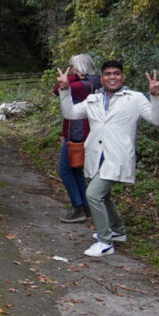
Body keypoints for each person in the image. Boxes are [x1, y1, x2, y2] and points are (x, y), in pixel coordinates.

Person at [56, 61, 159, 257]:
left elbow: (157, 120)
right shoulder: (93, 99)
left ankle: (105, 242)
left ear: (122, 77)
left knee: (93, 195)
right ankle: (117, 230)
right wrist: (65, 90)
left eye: (116, 73)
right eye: (107, 74)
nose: (112, 77)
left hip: (118, 157)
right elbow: (70, 113)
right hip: (95, 157)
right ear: (102, 78)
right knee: (103, 196)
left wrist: (156, 96)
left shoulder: (135, 99)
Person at [52, 54, 100, 223]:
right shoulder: (96, 81)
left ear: (79, 67)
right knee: (75, 169)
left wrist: (70, 77)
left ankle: (78, 207)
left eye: (72, 67)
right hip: (82, 132)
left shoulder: (82, 85)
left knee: (65, 169)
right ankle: (85, 207)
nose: (70, 70)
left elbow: (58, 90)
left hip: (78, 134)